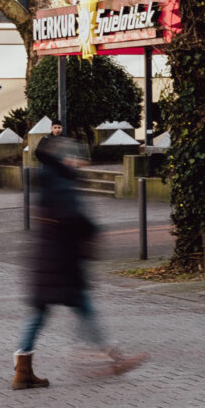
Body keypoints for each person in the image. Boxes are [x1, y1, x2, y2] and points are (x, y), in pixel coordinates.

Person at [14, 135, 145, 390]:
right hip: (61, 259)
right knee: (82, 307)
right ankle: (111, 357)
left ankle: (23, 369)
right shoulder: (59, 179)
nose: (79, 161)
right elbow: (71, 215)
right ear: (62, 157)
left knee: (42, 313)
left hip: (48, 257)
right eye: (73, 156)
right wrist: (92, 229)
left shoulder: (49, 177)